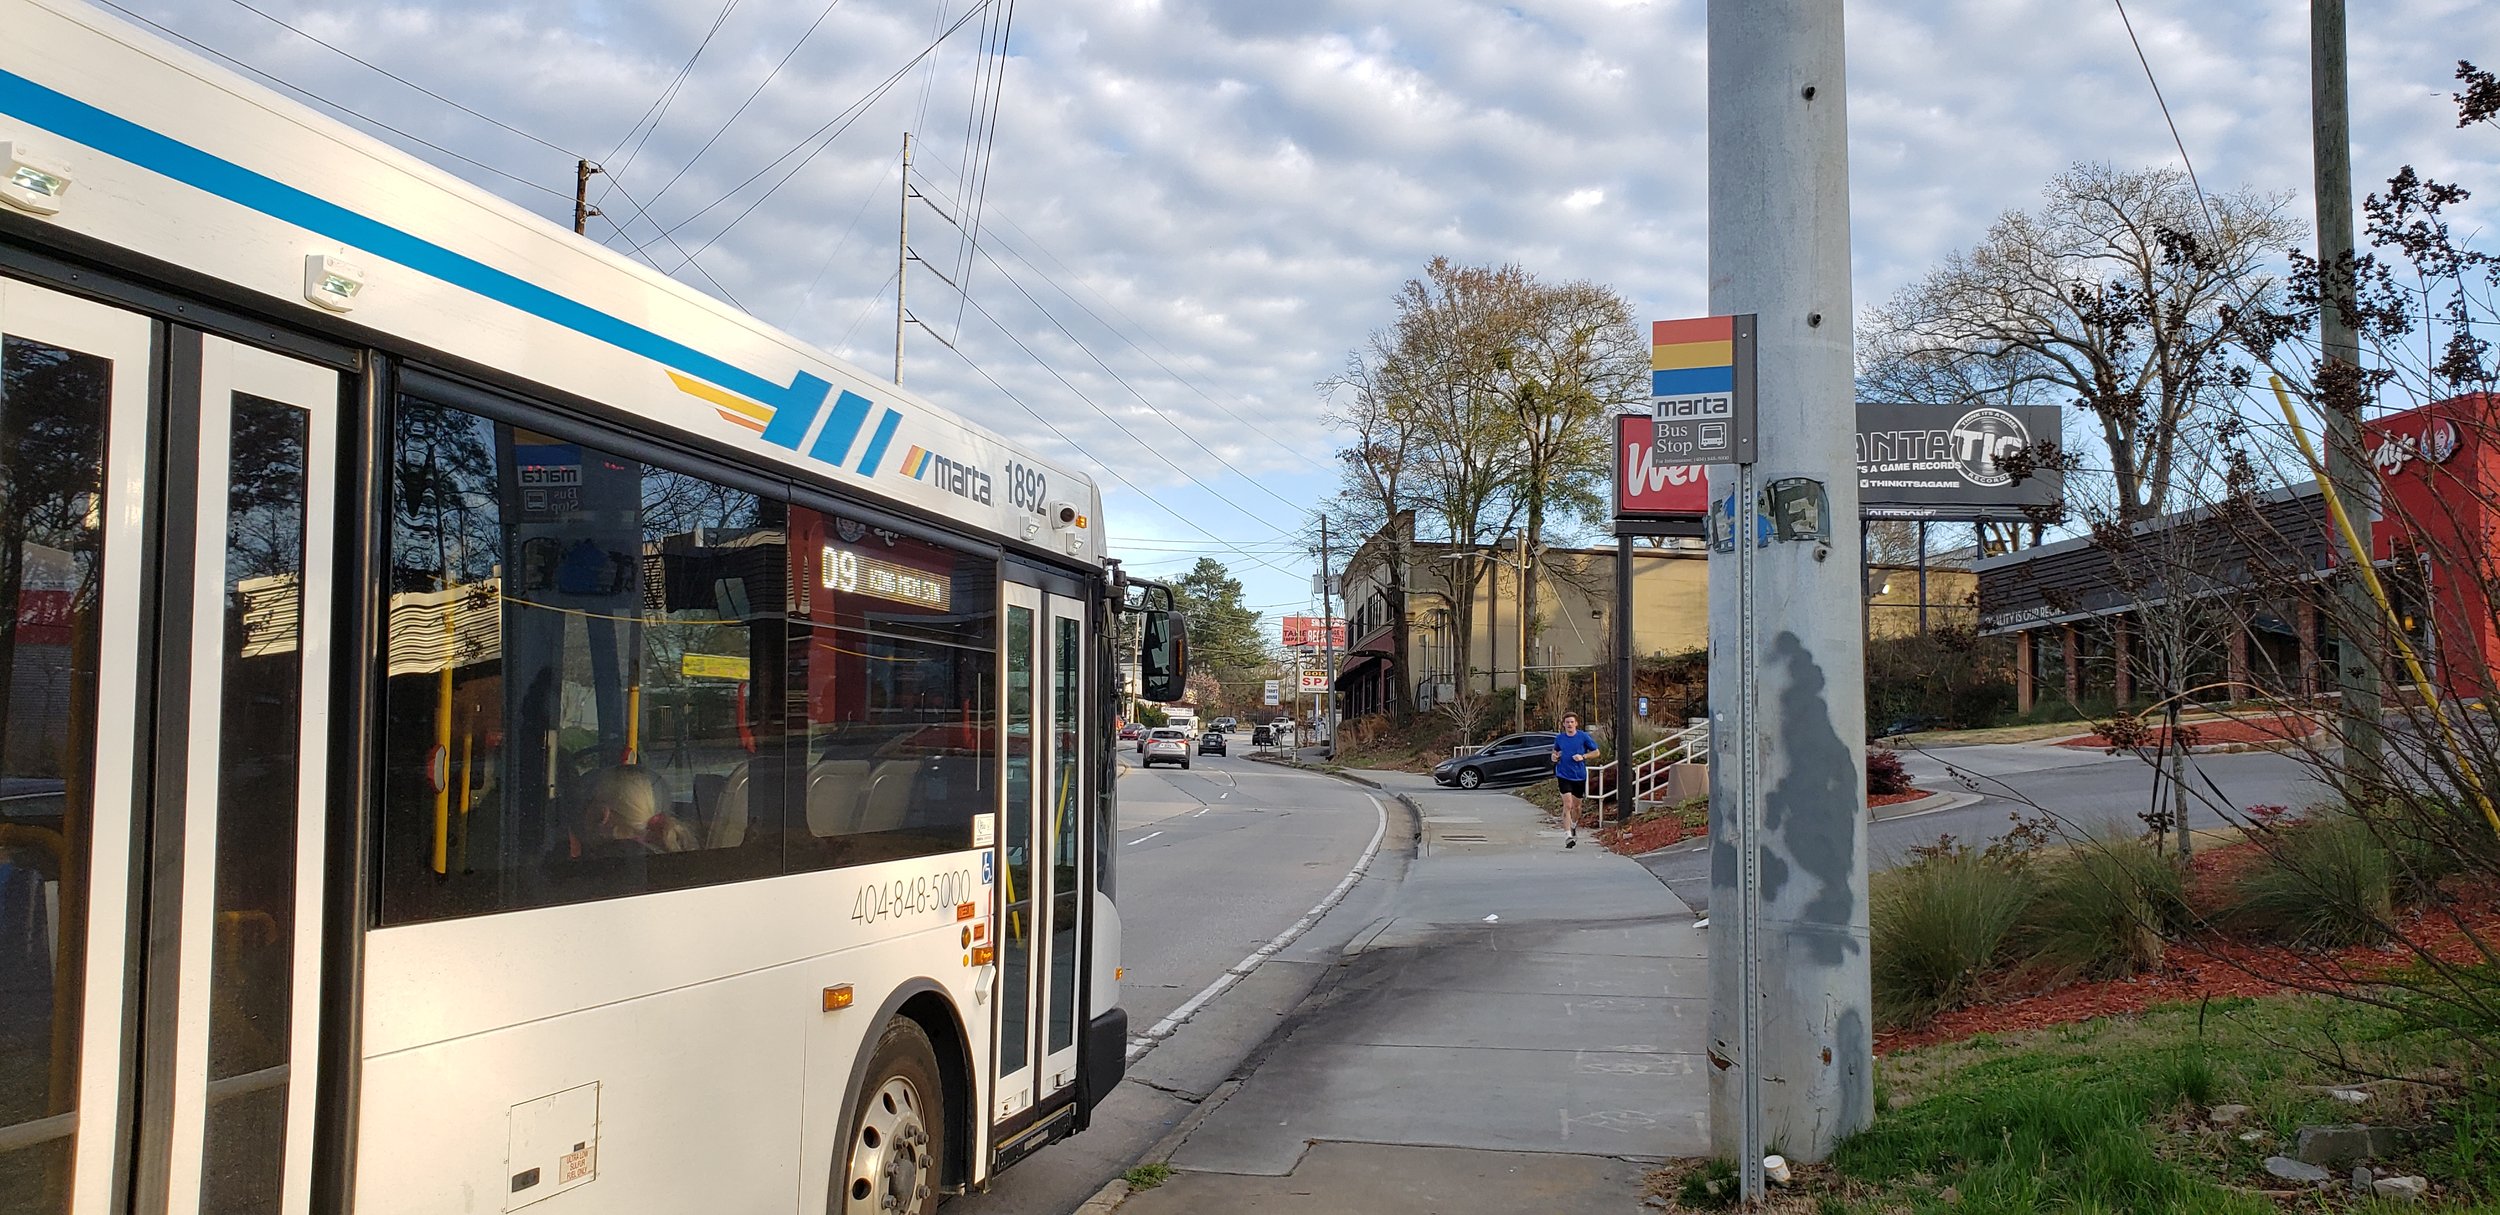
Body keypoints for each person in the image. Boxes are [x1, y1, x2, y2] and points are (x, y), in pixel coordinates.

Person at [1550, 712, 1601, 849]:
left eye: (1572, 722)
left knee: (1577, 807)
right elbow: (1555, 752)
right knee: (1568, 805)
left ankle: (1573, 825)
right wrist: (1554, 757)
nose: (1569, 724)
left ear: (1576, 724)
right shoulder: (1560, 738)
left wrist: (1583, 756)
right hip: (1563, 774)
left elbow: (1596, 752)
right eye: (1567, 722)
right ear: (1564, 724)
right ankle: (1567, 836)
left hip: (1579, 775)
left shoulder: (1583, 737)